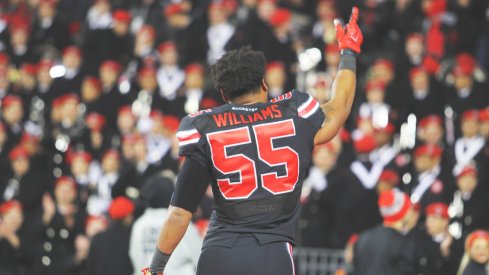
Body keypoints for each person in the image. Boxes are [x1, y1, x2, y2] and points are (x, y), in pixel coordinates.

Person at [143, 7, 363, 275]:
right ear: (264, 84)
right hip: (272, 254)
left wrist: (155, 270)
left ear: (224, 93)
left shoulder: (204, 126)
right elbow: (339, 106)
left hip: (219, 254)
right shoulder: (294, 112)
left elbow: (179, 213)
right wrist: (348, 53)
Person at [352, 189, 415, 275]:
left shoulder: (363, 238)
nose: (411, 211)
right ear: (404, 212)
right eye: (409, 207)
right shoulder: (403, 243)